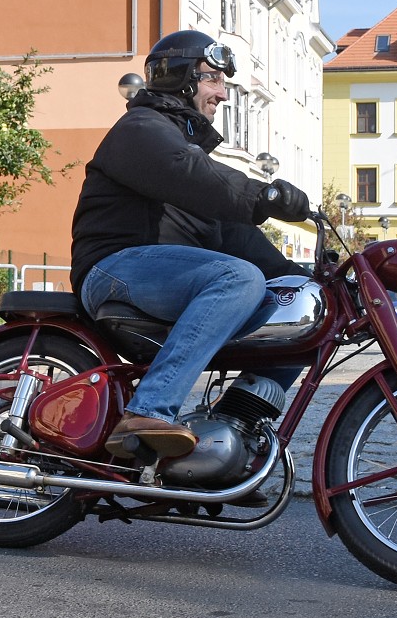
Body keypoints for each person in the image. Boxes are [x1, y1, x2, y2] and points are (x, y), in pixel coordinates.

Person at [70, 30, 311, 460]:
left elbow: (232, 232)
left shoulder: (185, 149)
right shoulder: (141, 129)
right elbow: (192, 176)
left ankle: (233, 436)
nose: (223, 93)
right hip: (113, 269)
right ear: (181, 77)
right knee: (238, 277)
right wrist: (265, 195)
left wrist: (309, 279)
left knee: (295, 316)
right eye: (214, 79)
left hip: (159, 276)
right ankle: (149, 410)